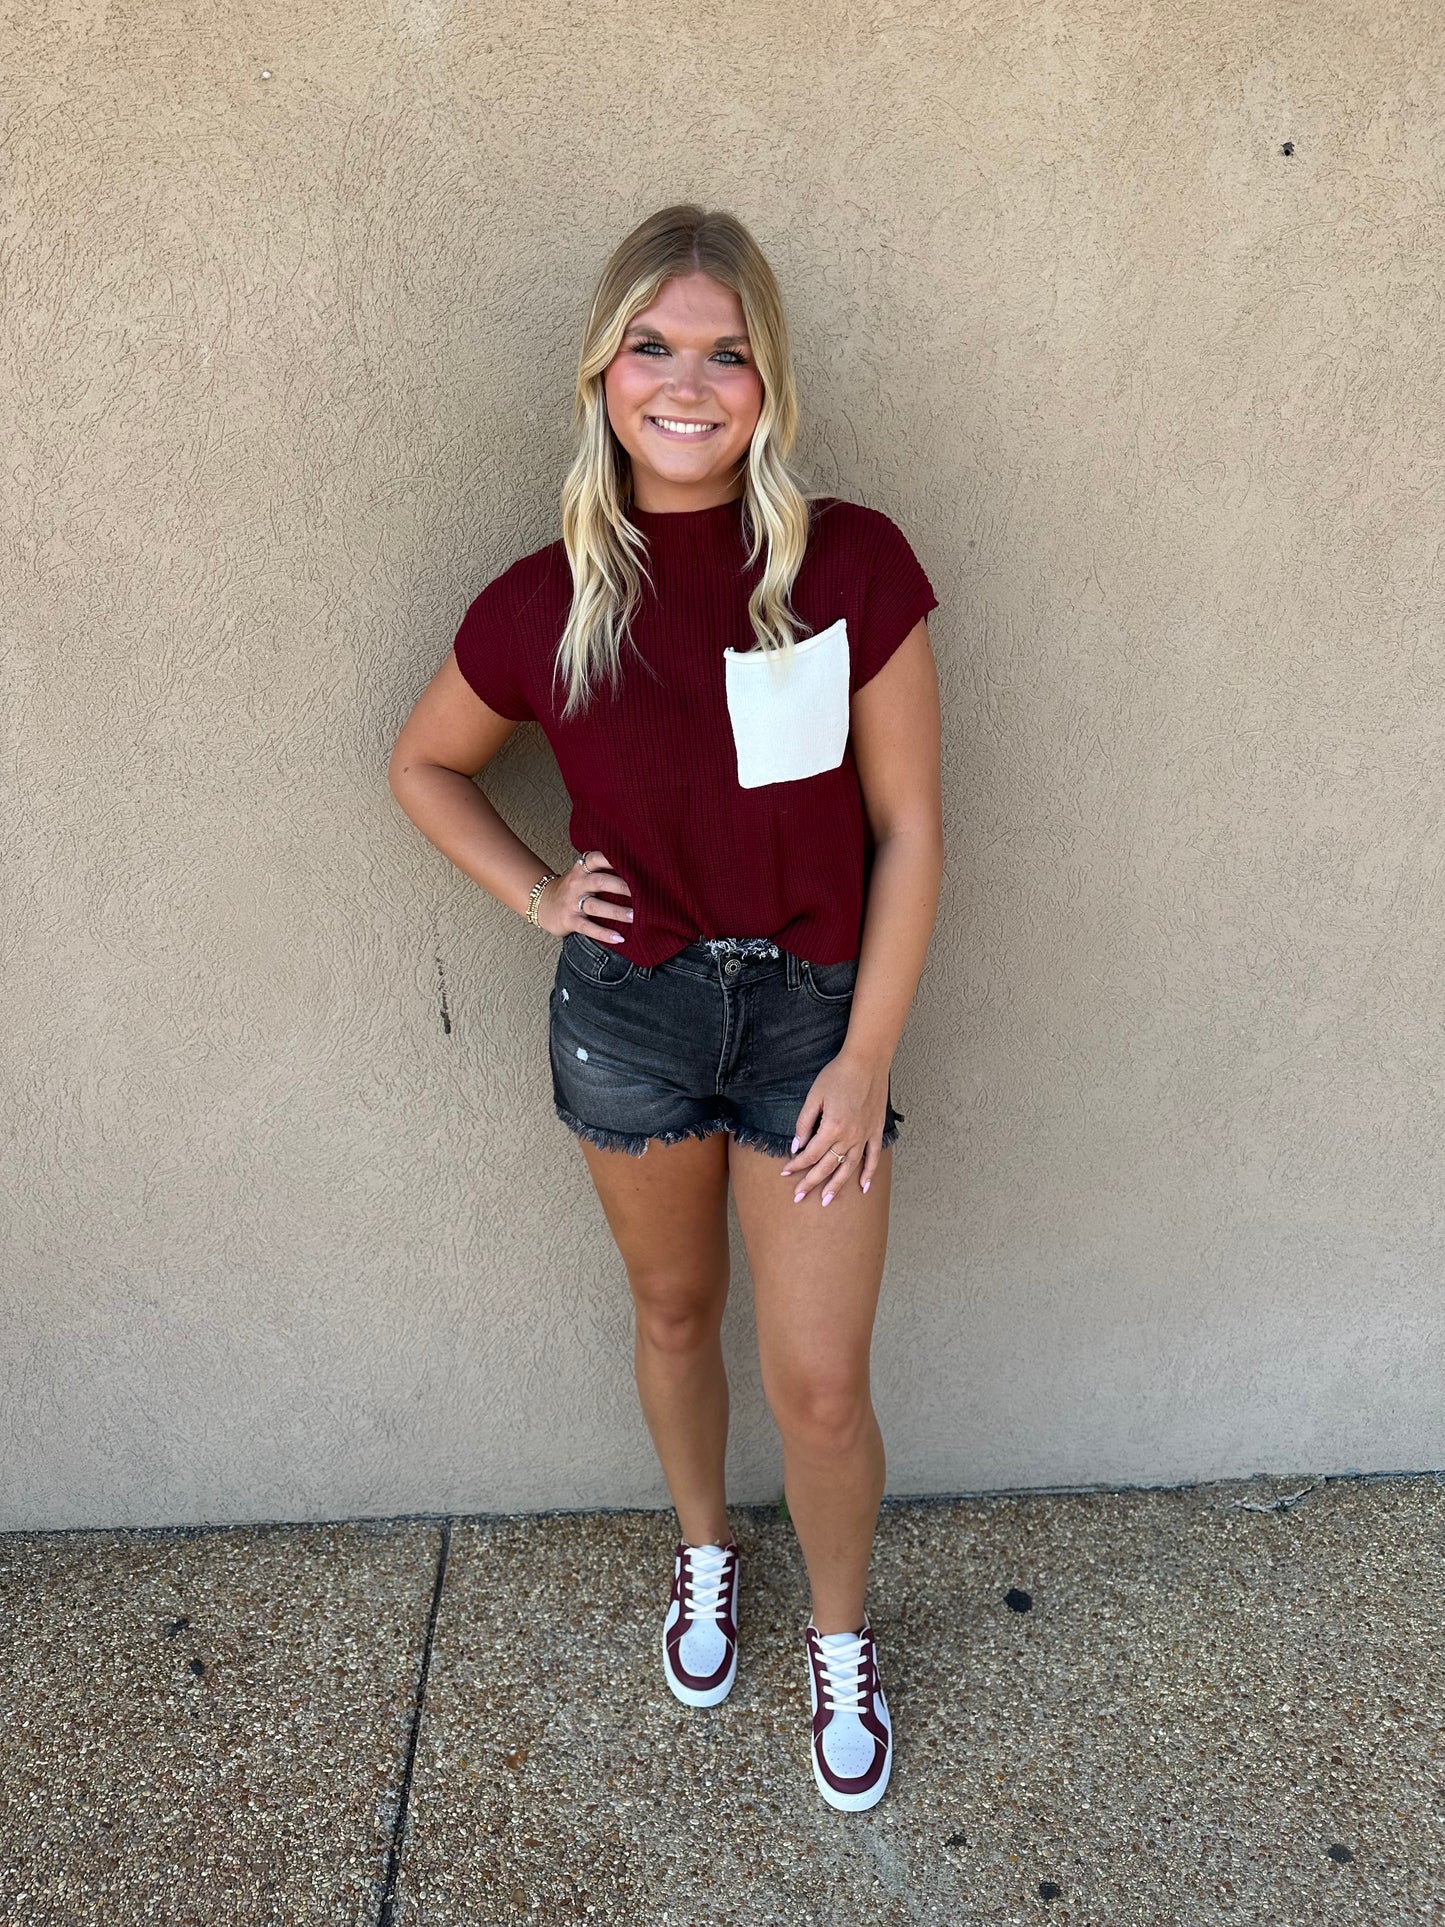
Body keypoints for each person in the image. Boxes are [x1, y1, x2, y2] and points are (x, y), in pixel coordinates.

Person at [388, 203, 943, 1813]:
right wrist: (538, 892)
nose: (685, 383)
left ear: (767, 380)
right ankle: (707, 1554)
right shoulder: (549, 593)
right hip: (625, 1021)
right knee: (674, 1317)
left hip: (808, 1024)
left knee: (823, 1381)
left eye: (724, 351)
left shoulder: (847, 564)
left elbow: (906, 827)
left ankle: (841, 1642)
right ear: (602, 370)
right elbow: (423, 765)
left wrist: (866, 1053)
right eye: (652, 345)